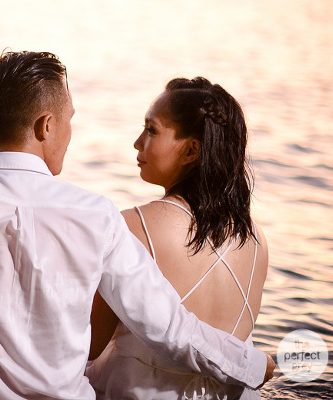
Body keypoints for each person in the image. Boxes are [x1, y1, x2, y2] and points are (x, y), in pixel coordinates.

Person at [0, 51, 274, 400]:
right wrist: (255, 364)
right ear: (46, 126)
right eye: (69, 121)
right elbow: (171, 330)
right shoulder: (98, 216)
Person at [86, 77, 269, 399]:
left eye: (151, 130)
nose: (138, 142)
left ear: (191, 150)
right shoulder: (254, 238)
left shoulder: (131, 226)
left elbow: (89, 343)